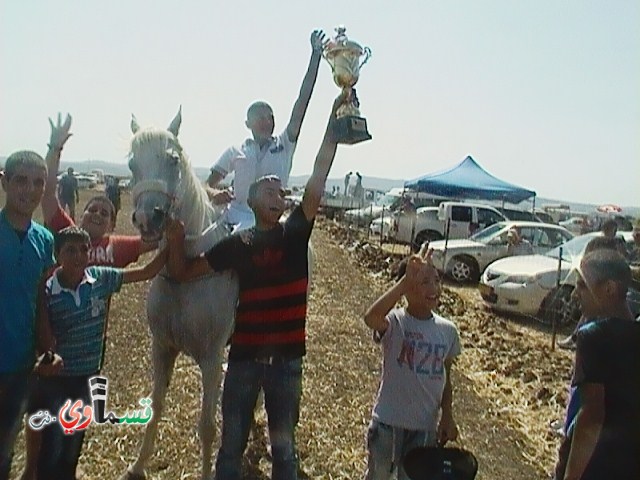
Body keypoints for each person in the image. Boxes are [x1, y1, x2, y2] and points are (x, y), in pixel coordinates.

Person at [167, 92, 345, 480]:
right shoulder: (237, 245)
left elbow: (317, 176)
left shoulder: (296, 234)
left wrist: (335, 123)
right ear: (251, 199)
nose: (277, 191)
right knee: (231, 448)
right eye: (268, 188)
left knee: (284, 452)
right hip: (244, 362)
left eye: (280, 190)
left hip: (285, 365)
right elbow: (184, 272)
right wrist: (175, 238)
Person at [20, 114, 157, 480]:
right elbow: (47, 194)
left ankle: (61, 469)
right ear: (80, 215)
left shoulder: (118, 249)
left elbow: (152, 247)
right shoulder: (66, 232)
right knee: (41, 413)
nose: (97, 213)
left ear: (113, 224)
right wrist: (55, 148)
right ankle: (33, 469)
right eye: (92, 209)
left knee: (71, 425)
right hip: (50, 338)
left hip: (85, 356)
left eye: (105, 212)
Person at [33, 226, 168, 480]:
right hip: (56, 381)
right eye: (70, 250)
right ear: (57, 254)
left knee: (73, 443)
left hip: (86, 377)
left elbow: (145, 272)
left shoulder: (100, 278)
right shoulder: (48, 291)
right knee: (52, 446)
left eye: (84, 250)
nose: (78, 256)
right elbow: (42, 337)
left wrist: (170, 245)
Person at [206, 30, 327, 231]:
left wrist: (315, 57)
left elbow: (302, 102)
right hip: (233, 216)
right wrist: (213, 194)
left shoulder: (284, 144)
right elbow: (208, 183)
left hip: (269, 222)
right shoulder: (235, 151)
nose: (267, 121)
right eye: (260, 117)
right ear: (248, 123)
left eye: (270, 116)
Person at [362, 253, 461, 480]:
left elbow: (446, 376)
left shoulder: (447, 331)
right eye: (423, 281)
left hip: (424, 428)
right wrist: (404, 283)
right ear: (406, 287)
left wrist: (447, 415)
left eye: (436, 280)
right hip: (388, 424)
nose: (433, 287)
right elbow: (370, 317)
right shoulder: (395, 322)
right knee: (378, 475)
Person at [554, 250, 640, 480]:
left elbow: (592, 416)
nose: (575, 294)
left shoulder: (594, 336)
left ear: (609, 289)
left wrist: (570, 476)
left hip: (596, 462)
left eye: (583, 285)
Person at [0, 147, 55, 480]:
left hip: (19, 362)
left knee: (5, 444)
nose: (30, 191)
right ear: (5, 183)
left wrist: (47, 349)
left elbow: (42, 299)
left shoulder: (44, 240)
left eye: (38, 183)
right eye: (21, 181)